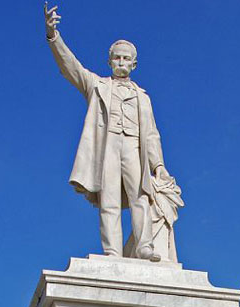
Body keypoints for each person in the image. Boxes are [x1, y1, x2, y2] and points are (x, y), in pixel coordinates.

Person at [43, 3, 181, 262]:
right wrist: (54, 37)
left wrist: (158, 165)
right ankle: (113, 252)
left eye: (126, 58)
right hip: (108, 147)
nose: (121, 62)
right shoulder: (98, 86)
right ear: (109, 61)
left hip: (133, 149)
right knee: (109, 200)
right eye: (117, 57)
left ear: (134, 64)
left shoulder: (143, 98)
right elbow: (71, 68)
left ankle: (144, 246)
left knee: (141, 197)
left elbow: (151, 134)